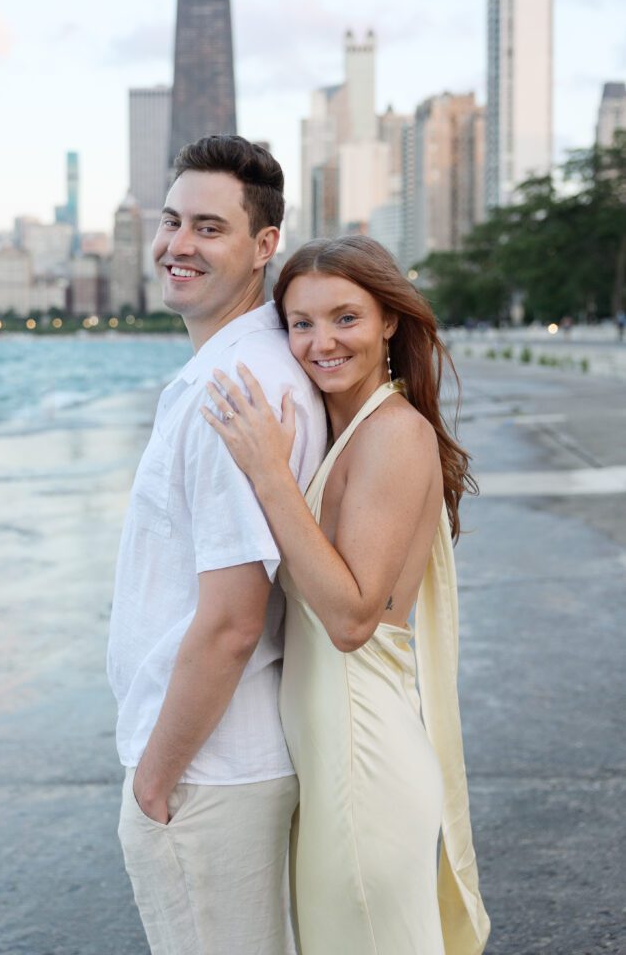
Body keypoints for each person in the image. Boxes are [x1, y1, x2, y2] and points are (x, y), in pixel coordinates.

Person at [202, 235, 491, 955]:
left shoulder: (394, 434)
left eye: (345, 318)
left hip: (364, 771)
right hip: (338, 768)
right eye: (301, 323)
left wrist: (270, 474)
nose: (320, 342)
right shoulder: (351, 432)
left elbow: (351, 618)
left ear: (388, 321)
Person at [107, 135, 327, 955]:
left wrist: (156, 779)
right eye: (171, 222)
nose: (177, 246)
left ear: (263, 245)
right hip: (228, 756)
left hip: (207, 769)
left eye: (209, 226)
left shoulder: (232, 391)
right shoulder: (256, 364)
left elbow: (233, 618)